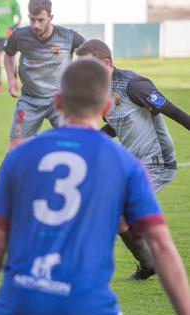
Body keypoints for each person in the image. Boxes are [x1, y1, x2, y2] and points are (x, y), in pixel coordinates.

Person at [0, 58, 190, 315]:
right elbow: (162, 246)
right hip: (87, 309)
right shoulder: (127, 166)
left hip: (21, 304)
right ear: (106, 105)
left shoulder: (21, 155)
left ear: (57, 101)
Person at [76, 39, 190, 280]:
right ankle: (148, 264)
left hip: (157, 162)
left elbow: (172, 110)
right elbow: (117, 125)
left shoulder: (134, 85)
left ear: (105, 63)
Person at [4, 0, 85, 149]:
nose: (36, 25)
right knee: (16, 145)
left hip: (61, 101)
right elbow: (9, 54)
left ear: (50, 18)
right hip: (30, 100)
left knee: (72, 144)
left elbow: (90, 55)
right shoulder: (19, 36)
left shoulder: (68, 36)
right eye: (32, 19)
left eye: (40, 20)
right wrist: (11, 78)